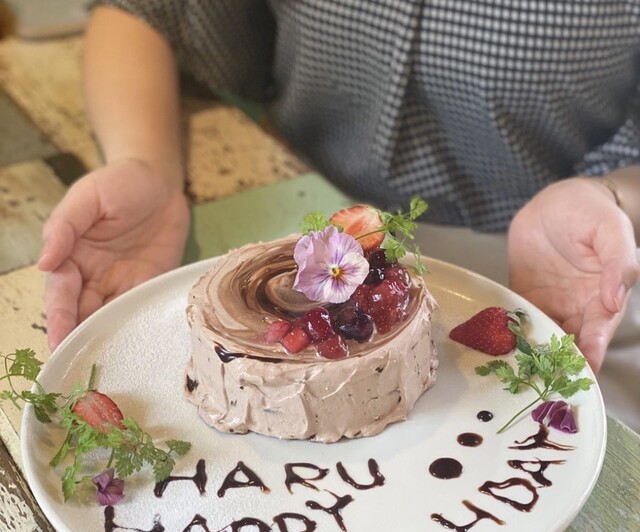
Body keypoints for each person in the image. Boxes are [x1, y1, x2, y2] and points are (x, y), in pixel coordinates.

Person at [39, 2, 639, 388]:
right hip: (299, 227)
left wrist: (615, 196)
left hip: (572, 269)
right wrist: (144, 160)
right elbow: (152, 11)